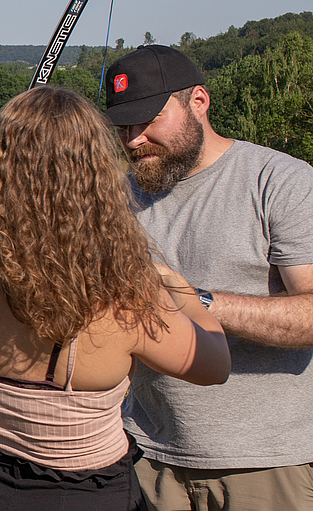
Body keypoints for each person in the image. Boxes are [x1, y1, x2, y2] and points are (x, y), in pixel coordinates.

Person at [0, 86, 230, 511]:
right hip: (87, 496)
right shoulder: (121, 297)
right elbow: (214, 364)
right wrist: (179, 290)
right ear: (93, 181)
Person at [105, 45, 313, 511]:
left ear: (198, 101)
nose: (134, 140)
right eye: (123, 127)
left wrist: (192, 300)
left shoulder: (280, 182)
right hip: (144, 456)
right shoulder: (116, 199)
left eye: (148, 121)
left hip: (265, 465)